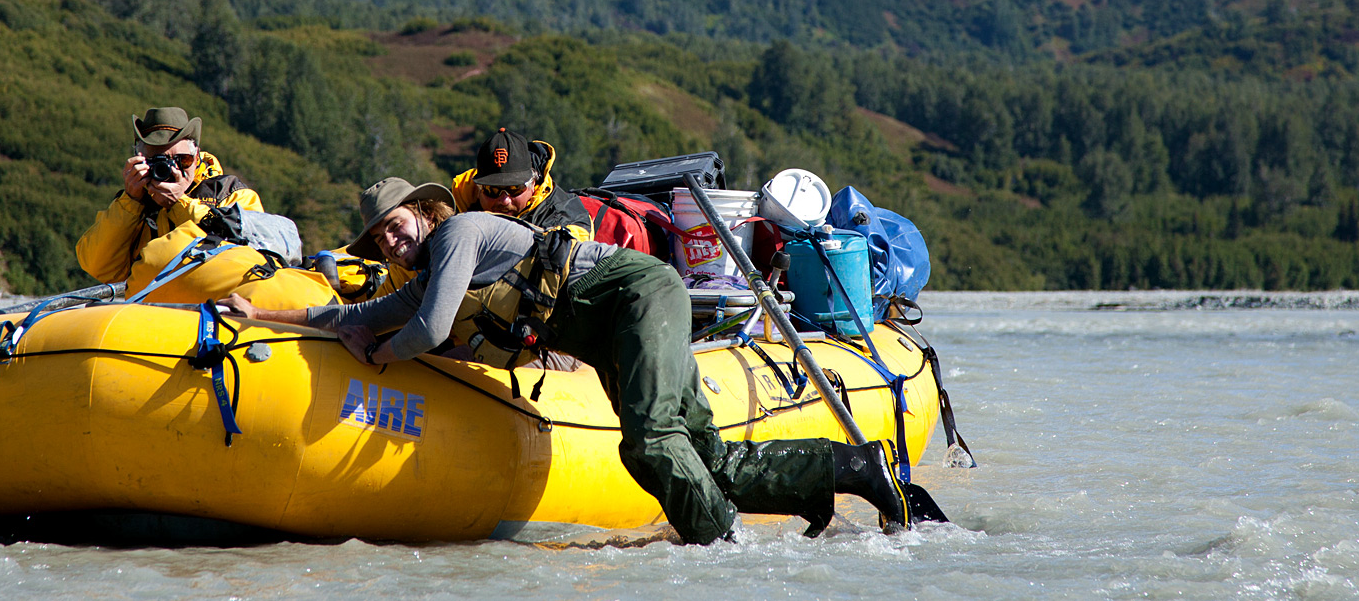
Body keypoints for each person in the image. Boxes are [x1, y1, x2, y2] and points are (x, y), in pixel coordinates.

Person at [220, 177, 946, 544]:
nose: (389, 242)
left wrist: (377, 352)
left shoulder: (462, 234)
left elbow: (428, 325)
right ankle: (854, 471)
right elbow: (352, 314)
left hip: (639, 296)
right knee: (702, 456)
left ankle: (728, 554)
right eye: (378, 238)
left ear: (426, 212)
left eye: (396, 225)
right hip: (611, 333)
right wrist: (267, 316)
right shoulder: (427, 266)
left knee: (652, 441)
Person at [76, 106, 333, 307]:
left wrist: (180, 204)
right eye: (157, 161)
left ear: (197, 155)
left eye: (183, 159)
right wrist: (130, 202)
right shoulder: (133, 204)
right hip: (153, 319)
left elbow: (257, 253)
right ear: (139, 158)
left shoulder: (231, 193)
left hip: (218, 316)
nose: (172, 169)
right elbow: (98, 266)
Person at [451, 127, 590, 234]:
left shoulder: (564, 216)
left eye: (514, 189)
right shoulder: (456, 203)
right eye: (492, 190)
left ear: (533, 184)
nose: (504, 200)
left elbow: (578, 243)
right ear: (479, 190)